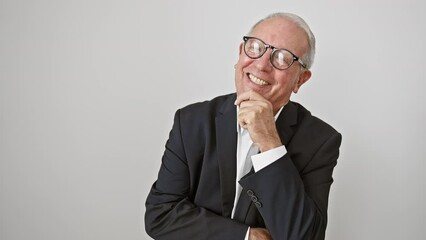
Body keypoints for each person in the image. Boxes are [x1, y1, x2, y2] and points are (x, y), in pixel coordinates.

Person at [145, 12, 342, 240]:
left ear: (300, 79)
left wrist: (270, 143)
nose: (261, 64)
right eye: (256, 47)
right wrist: (245, 237)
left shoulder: (321, 141)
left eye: (282, 58)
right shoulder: (190, 121)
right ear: (240, 53)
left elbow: (304, 237)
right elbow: (160, 215)